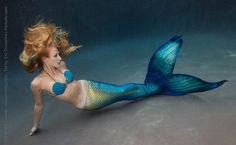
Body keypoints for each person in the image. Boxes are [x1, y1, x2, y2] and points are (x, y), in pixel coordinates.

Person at [19, 21, 227, 136]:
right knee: (124, 92)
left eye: (59, 53)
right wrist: (36, 125)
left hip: (89, 86)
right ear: (43, 58)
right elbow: (38, 106)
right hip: (88, 102)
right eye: (55, 55)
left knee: (126, 90)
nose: (60, 57)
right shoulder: (37, 83)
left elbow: (70, 79)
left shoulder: (61, 65)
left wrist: (64, 71)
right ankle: (156, 85)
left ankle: (155, 86)